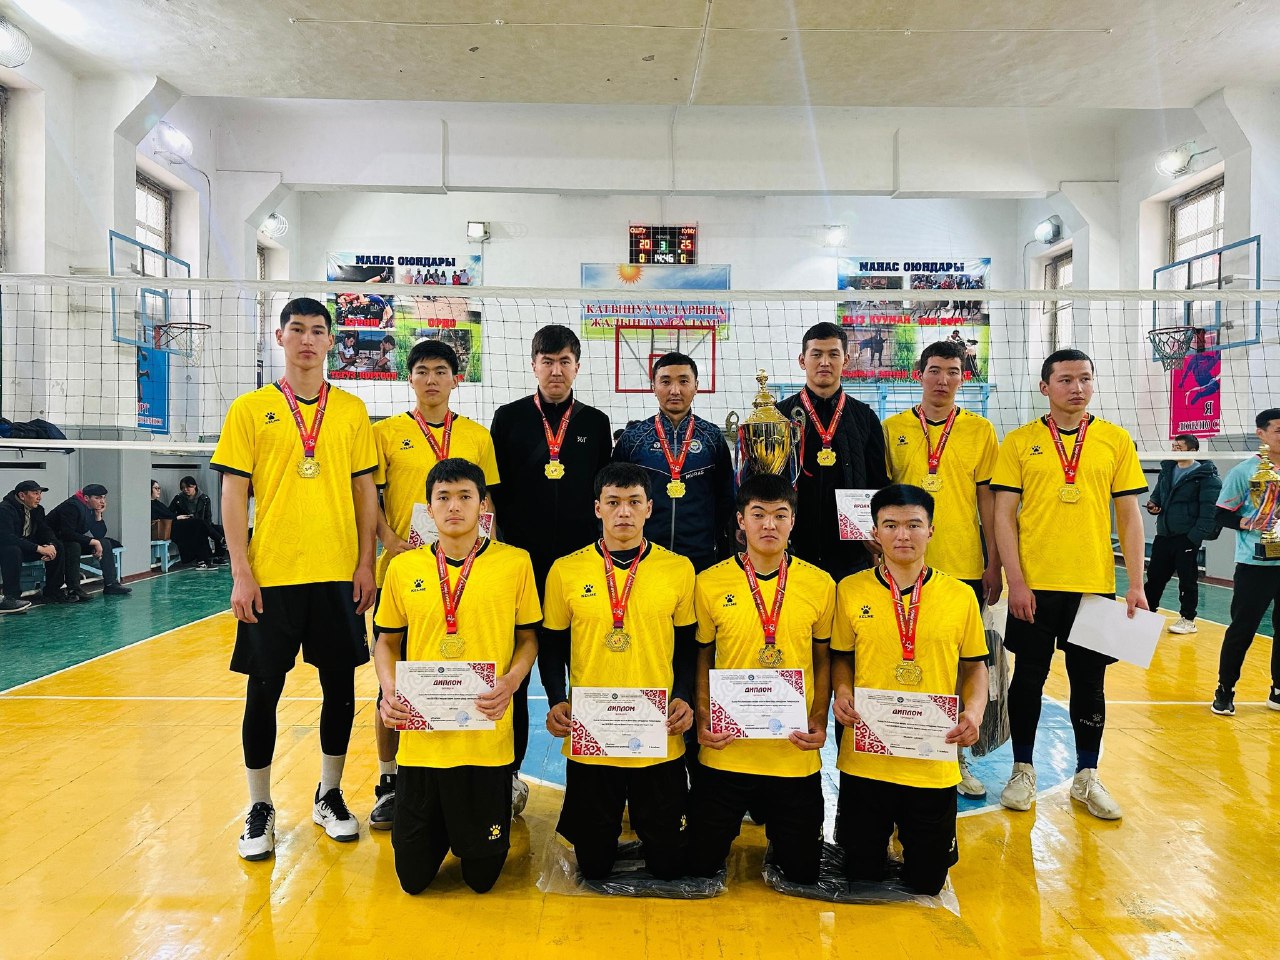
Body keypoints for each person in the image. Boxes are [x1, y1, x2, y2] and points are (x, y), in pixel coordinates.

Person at [212, 296, 379, 861]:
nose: (308, 339)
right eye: (298, 329)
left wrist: (366, 562)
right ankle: (259, 805)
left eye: (317, 330)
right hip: (272, 576)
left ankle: (329, 795)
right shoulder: (250, 409)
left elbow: (364, 492)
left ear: (331, 341)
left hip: (336, 574)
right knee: (263, 691)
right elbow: (233, 493)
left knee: (340, 689)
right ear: (280, 337)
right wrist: (241, 571)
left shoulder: (352, 410)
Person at [990, 348, 1148, 821]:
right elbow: (1003, 516)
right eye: (1065, 379)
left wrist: (1136, 583)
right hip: (1035, 587)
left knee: (1090, 684)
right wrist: (1016, 580)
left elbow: (1129, 516)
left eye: (1084, 378)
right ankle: (1022, 770)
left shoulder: (1115, 440)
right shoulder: (1019, 442)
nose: (1076, 388)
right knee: (1028, 679)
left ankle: (1087, 775)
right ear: (1045, 387)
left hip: (1093, 587)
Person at [374, 459, 540, 894]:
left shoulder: (515, 563)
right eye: (443, 497)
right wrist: (389, 691)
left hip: (485, 744)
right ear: (428, 508)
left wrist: (511, 681)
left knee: (482, 879)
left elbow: (528, 639)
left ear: (482, 505)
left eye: (465, 496)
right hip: (422, 745)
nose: (454, 506)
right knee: (412, 879)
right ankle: (440, 830)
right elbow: (386, 643)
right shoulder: (403, 568)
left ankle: (469, 830)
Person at [539, 462, 696, 881]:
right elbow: (551, 646)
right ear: (597, 508)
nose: (623, 512)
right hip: (592, 732)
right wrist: (556, 699)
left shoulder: (679, 569)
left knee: (669, 865)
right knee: (593, 868)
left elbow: (687, 646)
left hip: (658, 731)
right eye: (613, 502)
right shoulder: (565, 570)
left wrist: (684, 695)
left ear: (649, 508)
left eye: (633, 502)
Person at [831, 484, 988, 895]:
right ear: (875, 532)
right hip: (867, 758)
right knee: (861, 875)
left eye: (914, 524)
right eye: (891, 525)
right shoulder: (849, 590)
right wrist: (842, 692)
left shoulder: (960, 596)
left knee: (927, 883)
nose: (903, 535)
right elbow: (841, 658)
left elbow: (975, 667)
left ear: (931, 530)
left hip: (931, 758)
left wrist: (974, 713)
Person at [369, 339, 501, 830]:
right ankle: (389, 780)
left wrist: (490, 558)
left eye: (441, 371)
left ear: (455, 379)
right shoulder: (385, 433)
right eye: (422, 370)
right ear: (410, 378)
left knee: (467, 670)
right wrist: (389, 542)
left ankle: (479, 775)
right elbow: (369, 499)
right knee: (392, 681)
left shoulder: (477, 435)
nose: (431, 379)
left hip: (468, 574)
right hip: (406, 573)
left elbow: (488, 504)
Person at [489, 323, 613, 814]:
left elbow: (603, 492)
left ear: (577, 366)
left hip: (581, 570)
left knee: (585, 665)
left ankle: (600, 768)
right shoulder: (509, 418)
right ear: (534, 365)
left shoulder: (596, 422)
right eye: (547, 361)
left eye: (564, 361)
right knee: (514, 672)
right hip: (522, 565)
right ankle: (508, 774)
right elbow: (494, 493)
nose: (556, 370)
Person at [687, 474, 834, 885]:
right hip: (727, 750)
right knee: (698, 867)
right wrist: (703, 717)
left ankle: (784, 837)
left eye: (780, 515)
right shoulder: (708, 582)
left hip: (792, 752)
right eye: (758, 515)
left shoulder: (820, 584)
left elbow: (823, 660)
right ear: (741, 521)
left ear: (793, 521)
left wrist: (818, 718)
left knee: (803, 873)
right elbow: (703, 657)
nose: (769, 524)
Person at [882, 339, 1001, 798]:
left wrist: (993, 560)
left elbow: (987, 500)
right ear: (919, 374)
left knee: (957, 666)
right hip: (903, 565)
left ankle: (955, 755)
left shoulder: (980, 430)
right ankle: (898, 745)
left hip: (962, 563)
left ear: (963, 378)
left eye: (953, 371)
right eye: (934, 370)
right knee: (904, 655)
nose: (943, 380)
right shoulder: (893, 428)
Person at [776, 322, 890, 583]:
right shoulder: (780, 415)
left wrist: (877, 530)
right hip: (792, 549)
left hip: (851, 554)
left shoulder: (865, 417)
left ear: (846, 360)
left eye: (833, 354)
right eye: (816, 354)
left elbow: (878, 482)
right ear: (802, 360)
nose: (824, 362)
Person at [612, 351, 735, 573]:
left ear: (696, 386)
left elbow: (725, 496)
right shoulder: (633, 438)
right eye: (666, 381)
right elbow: (613, 495)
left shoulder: (712, 437)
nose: (675, 390)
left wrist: (713, 538)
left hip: (700, 556)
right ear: (653, 386)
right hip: (644, 556)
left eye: (683, 381)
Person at [1210, 408, 1280, 716]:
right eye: (1279, 430)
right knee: (1243, 628)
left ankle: (1278, 690)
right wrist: (1247, 522)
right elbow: (1221, 514)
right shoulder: (1245, 472)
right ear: (1261, 434)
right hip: (1256, 563)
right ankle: (1225, 689)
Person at [1144, 435, 1221, 635]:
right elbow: (1157, 495)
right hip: (1164, 534)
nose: (1174, 450)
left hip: (1186, 537)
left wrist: (1193, 537)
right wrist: (1153, 505)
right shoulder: (1167, 469)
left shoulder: (1206, 476)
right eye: (1173, 447)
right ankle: (1147, 613)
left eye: (1179, 447)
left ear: (1193, 451)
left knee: (1187, 580)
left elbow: (1209, 511)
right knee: (1154, 577)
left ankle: (1188, 619)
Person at [48, 484, 131, 598]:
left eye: (103, 497)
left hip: (72, 539)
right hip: (56, 542)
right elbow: (67, 533)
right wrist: (94, 542)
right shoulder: (71, 506)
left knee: (105, 542)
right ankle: (74, 589)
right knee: (74, 546)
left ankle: (111, 584)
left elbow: (99, 534)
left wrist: (98, 515)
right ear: (86, 498)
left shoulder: (91, 508)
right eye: (97, 498)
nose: (102, 501)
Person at [0, 479, 63, 611]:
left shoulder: (37, 510)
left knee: (58, 547)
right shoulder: (5, 509)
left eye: (40, 493)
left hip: (26, 547)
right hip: (6, 548)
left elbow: (45, 530)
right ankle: (11, 598)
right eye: (35, 493)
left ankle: (53, 592)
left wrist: (51, 545)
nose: (39, 497)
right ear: (22, 495)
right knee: (13, 550)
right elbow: (8, 538)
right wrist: (38, 548)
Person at [152, 480, 216, 570]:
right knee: (199, 524)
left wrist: (177, 517)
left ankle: (204, 560)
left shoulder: (158, 503)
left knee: (199, 527)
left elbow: (168, 514)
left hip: (174, 525)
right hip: (169, 528)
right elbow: (162, 516)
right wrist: (177, 517)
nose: (159, 490)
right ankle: (218, 540)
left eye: (159, 488)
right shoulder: (150, 505)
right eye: (156, 488)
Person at [170, 475, 227, 565]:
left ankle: (218, 556)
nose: (185, 490)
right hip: (188, 526)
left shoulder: (205, 499)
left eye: (188, 487)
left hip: (203, 523)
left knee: (219, 529)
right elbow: (169, 513)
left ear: (194, 486)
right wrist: (178, 516)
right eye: (183, 488)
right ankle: (221, 540)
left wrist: (207, 526)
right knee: (200, 527)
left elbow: (208, 516)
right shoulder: (178, 499)